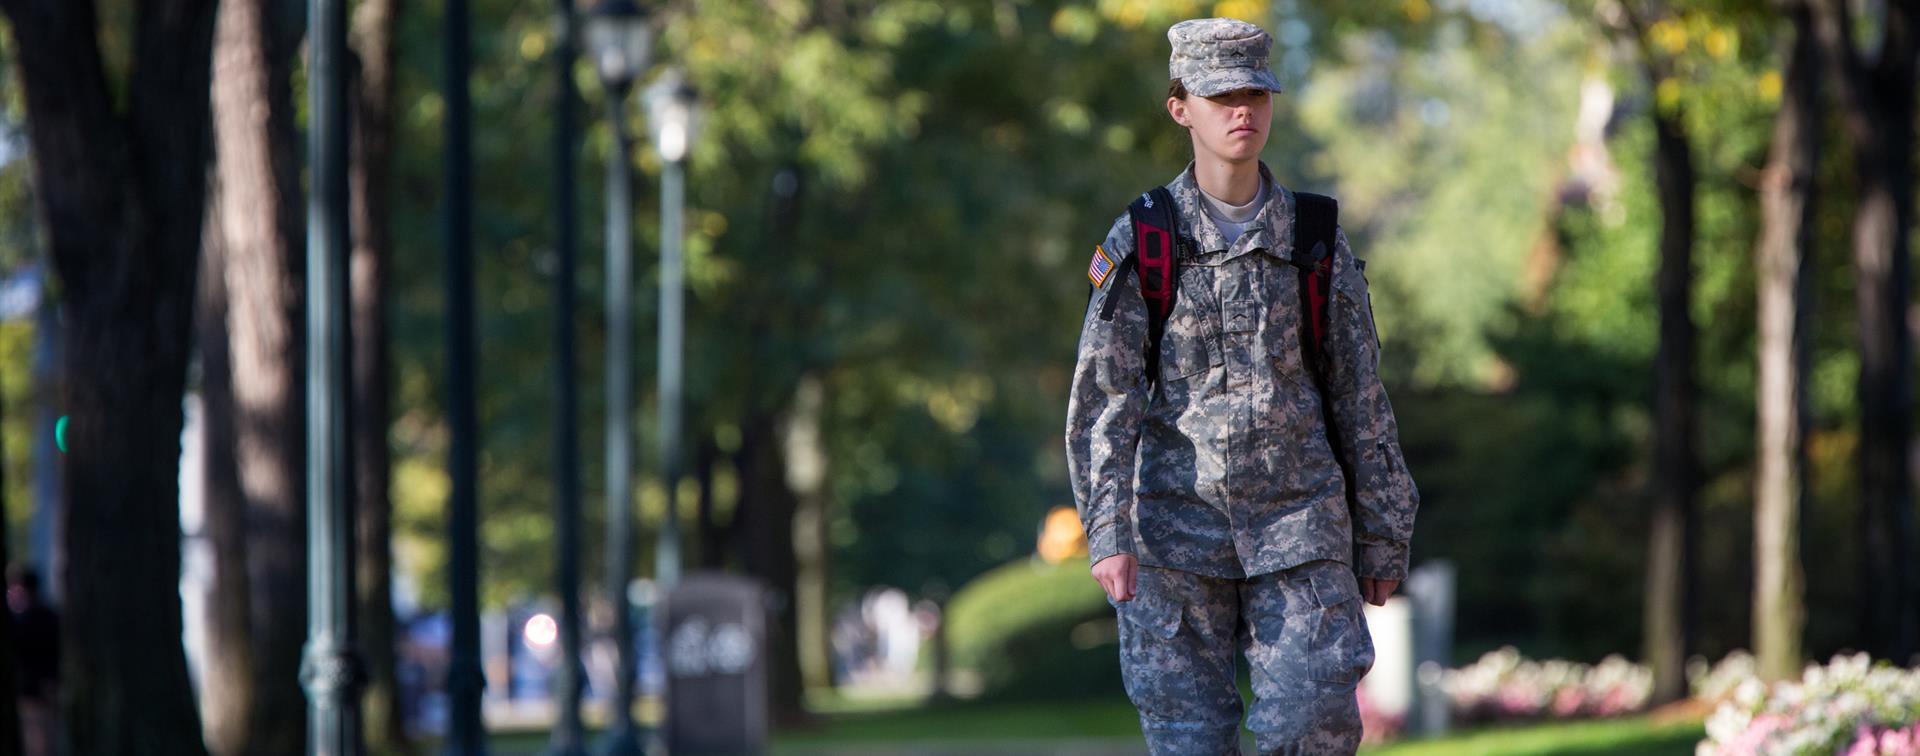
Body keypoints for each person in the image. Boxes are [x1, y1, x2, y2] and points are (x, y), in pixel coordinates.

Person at [1064, 17, 1420, 755]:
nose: (1242, 110)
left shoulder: (1314, 238)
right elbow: (1105, 399)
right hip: (1174, 540)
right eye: (1221, 94)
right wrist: (1107, 532)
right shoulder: (1146, 239)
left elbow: (1361, 394)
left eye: (1256, 92)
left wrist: (1383, 531)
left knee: (1311, 729)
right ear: (1180, 107)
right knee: (1191, 744)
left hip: (1300, 530)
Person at [8, 563, 60, 756]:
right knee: (48, 738)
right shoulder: (51, 617)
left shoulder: (22, 622)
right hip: (48, 688)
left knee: (37, 740)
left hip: (32, 691)